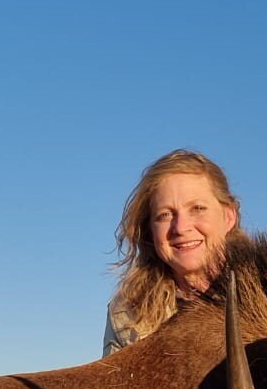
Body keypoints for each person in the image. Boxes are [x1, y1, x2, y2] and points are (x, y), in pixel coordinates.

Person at [103, 150, 243, 356]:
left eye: (197, 208)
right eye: (165, 215)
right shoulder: (127, 314)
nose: (180, 227)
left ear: (228, 217)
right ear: (150, 230)